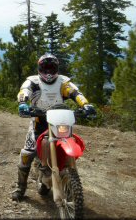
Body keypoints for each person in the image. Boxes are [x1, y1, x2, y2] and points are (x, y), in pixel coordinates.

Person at [12, 53, 96, 201]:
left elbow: (76, 93)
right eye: (46, 68)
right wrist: (23, 104)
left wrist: (85, 104)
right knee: (27, 154)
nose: (49, 72)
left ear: (57, 68)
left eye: (52, 68)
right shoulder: (33, 81)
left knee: (67, 143)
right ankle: (20, 188)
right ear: (40, 68)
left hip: (60, 120)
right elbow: (24, 92)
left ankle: (67, 179)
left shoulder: (63, 82)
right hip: (39, 120)